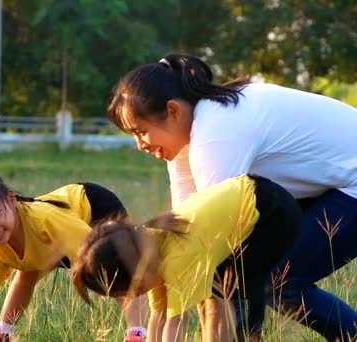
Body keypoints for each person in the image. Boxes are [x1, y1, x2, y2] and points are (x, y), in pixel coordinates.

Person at [106, 53, 357, 341]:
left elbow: (217, 245)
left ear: (172, 110)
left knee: (279, 280)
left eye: (141, 132)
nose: (140, 145)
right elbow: (185, 230)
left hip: (352, 185)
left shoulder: (216, 131)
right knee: (245, 274)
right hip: (330, 185)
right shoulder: (187, 136)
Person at [72, 174, 301, 341]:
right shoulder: (149, 245)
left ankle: (248, 335)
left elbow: (176, 323)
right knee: (214, 292)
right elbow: (158, 315)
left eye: (137, 290)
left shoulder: (178, 258)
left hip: (271, 212)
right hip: (245, 198)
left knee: (229, 294)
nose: (140, 295)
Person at [0, 167, 148, 342]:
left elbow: (96, 255)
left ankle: (138, 333)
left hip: (94, 210)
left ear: (11, 200)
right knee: (26, 272)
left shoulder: (45, 221)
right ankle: (3, 333)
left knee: (112, 271)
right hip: (52, 242)